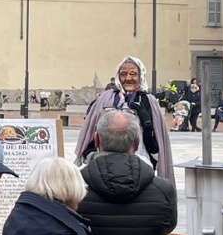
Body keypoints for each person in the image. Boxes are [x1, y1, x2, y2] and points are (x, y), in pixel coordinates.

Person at [73, 57, 175, 191]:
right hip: (104, 164)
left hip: (139, 164)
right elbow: (91, 132)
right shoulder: (106, 98)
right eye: (123, 74)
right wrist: (92, 156)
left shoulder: (148, 101)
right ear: (117, 76)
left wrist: (147, 124)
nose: (128, 78)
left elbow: (156, 144)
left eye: (133, 74)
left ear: (141, 76)